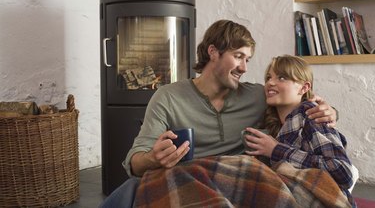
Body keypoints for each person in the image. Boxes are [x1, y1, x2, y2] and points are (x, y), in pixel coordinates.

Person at [100, 20, 337, 207]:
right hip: (189, 180)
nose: (245, 68)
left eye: (248, 59)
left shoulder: (258, 95)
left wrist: (330, 111)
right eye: (238, 57)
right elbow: (135, 160)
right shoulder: (168, 97)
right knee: (135, 187)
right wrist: (153, 159)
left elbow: (295, 100)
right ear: (213, 52)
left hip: (238, 179)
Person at [242, 55, 355, 207]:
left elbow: (343, 172)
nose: (270, 82)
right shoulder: (274, 123)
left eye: (281, 77)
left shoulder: (309, 114)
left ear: (304, 87)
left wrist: (276, 150)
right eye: (269, 77)